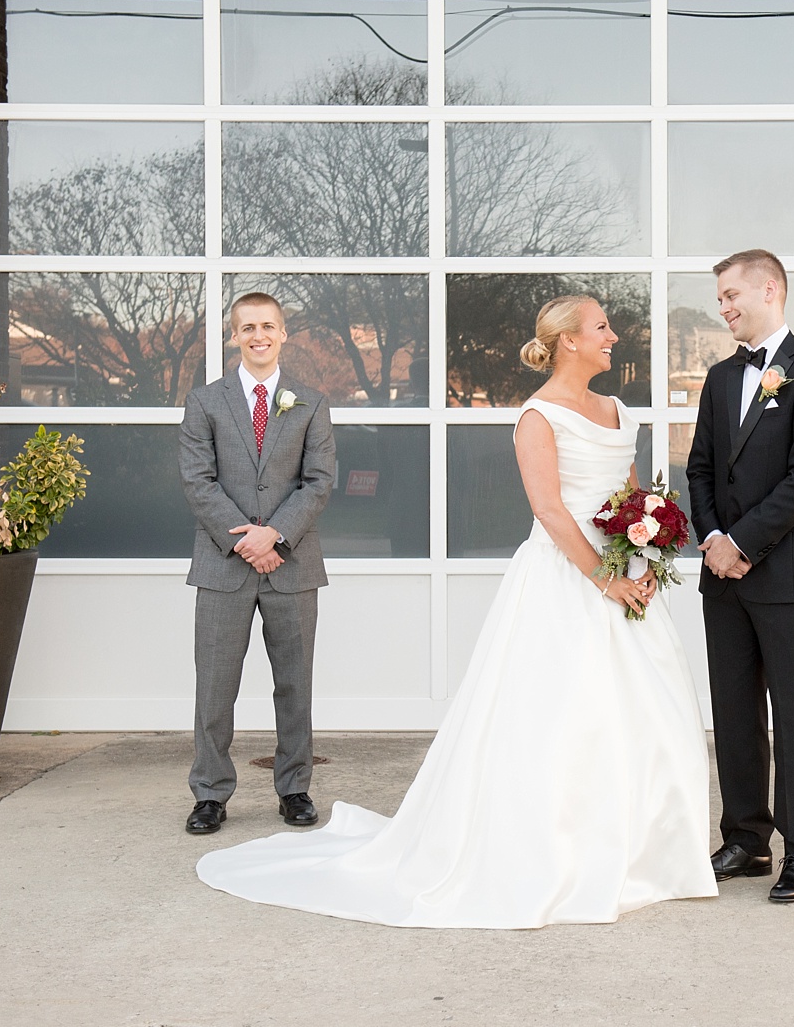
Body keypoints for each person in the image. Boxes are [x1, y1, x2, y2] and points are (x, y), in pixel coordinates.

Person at [196, 296, 717, 928]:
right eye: (601, 327)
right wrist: (607, 578)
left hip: (622, 577)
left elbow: (632, 494)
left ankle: (644, 848)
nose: (613, 335)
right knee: (557, 718)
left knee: (643, 710)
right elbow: (551, 511)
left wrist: (644, 548)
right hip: (569, 580)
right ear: (568, 341)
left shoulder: (616, 409)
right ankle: (559, 852)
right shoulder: (536, 416)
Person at [686, 249, 794, 903]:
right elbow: (698, 467)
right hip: (721, 575)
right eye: (719, 298)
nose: (723, 307)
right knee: (732, 709)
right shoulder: (721, 377)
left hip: (785, 571)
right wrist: (714, 539)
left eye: (731, 295)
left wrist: (746, 541)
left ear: (770, 289)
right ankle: (746, 836)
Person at [178, 292, 336, 835]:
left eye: (268, 325)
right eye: (248, 327)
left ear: (284, 333)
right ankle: (210, 794)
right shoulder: (204, 402)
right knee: (215, 687)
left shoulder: (310, 402)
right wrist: (248, 541)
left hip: (293, 566)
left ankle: (295, 788)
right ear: (234, 335)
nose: (258, 335)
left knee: (295, 684)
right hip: (224, 565)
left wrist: (277, 535)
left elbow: (319, 481)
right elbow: (198, 482)